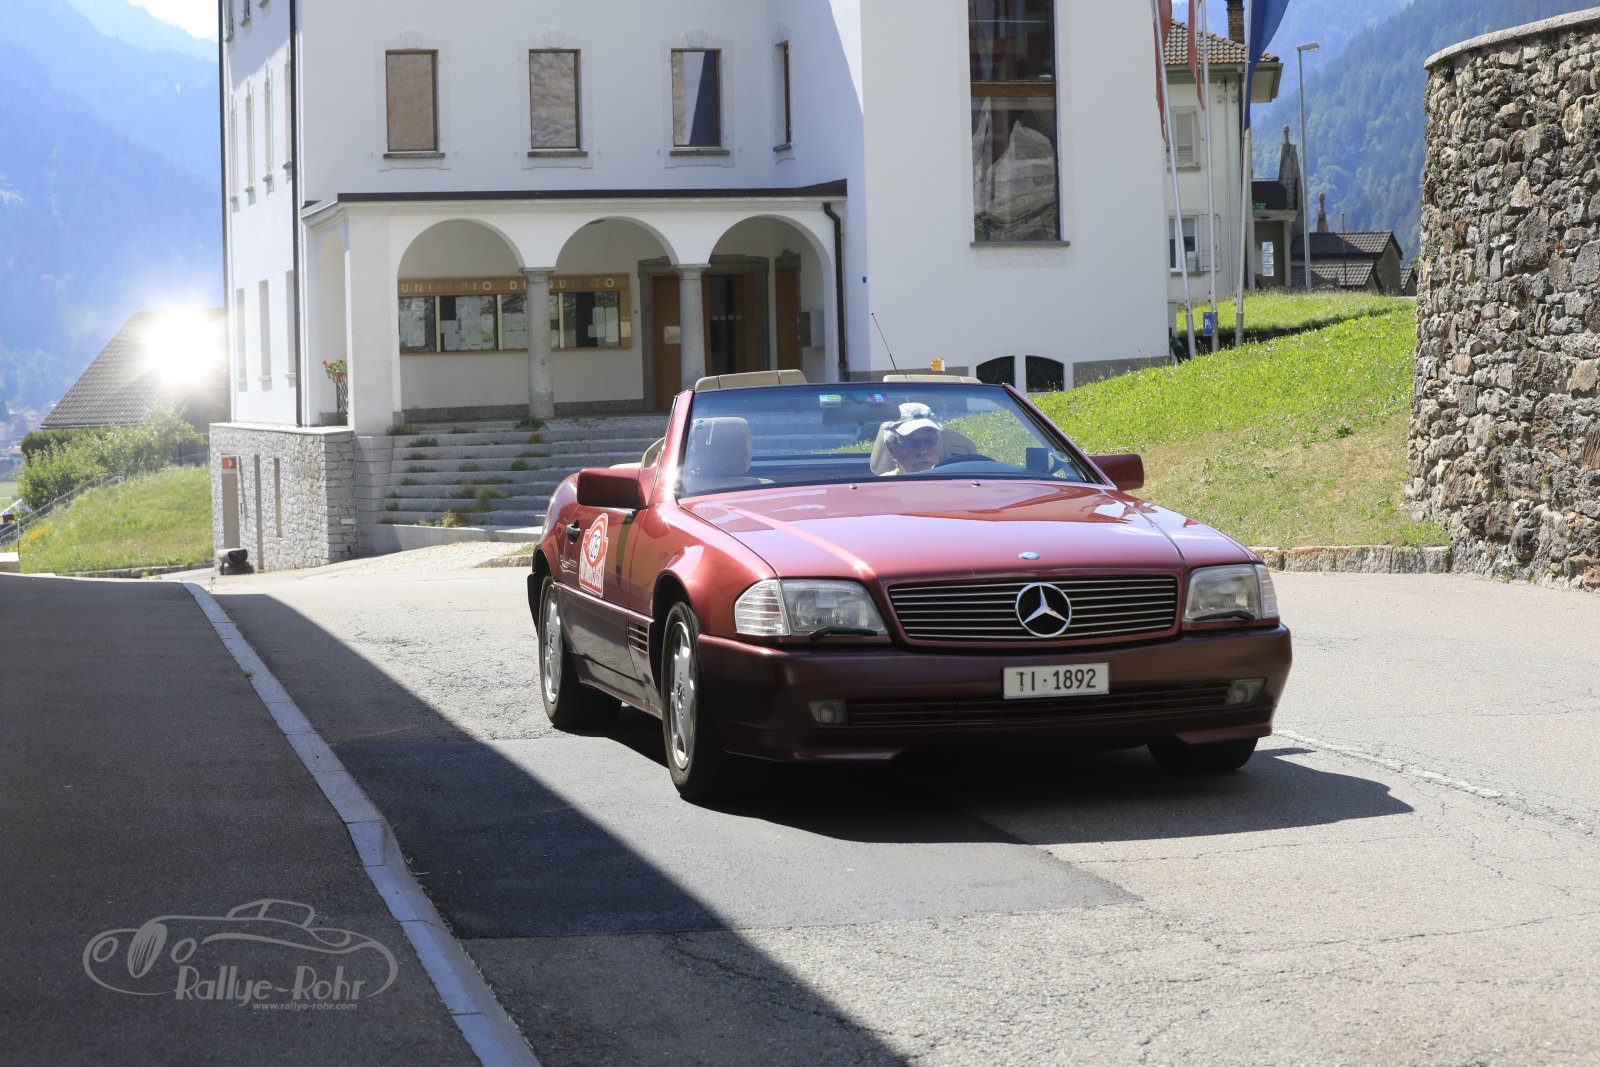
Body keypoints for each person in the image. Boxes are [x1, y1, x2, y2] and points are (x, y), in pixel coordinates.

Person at [880, 402, 944, 475]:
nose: (922, 451)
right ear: (891, 448)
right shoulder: (882, 482)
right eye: (910, 443)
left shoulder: (953, 478)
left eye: (929, 440)